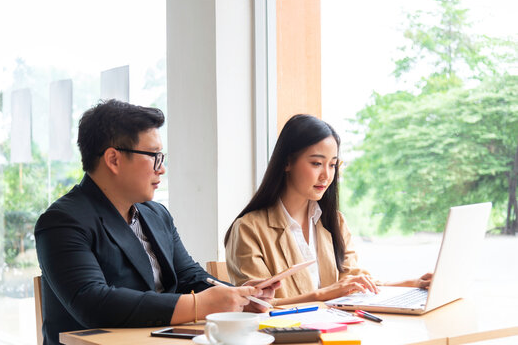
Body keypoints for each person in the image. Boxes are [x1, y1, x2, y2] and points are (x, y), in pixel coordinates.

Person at [35, 99, 278, 344]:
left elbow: (190, 277)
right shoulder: (61, 222)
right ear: (113, 159)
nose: (161, 169)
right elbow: (94, 303)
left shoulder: (156, 214)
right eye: (154, 156)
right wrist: (198, 304)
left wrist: (239, 297)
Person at [224, 114, 431, 306]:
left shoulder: (334, 222)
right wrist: (324, 295)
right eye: (316, 163)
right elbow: (256, 305)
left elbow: (354, 283)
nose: (326, 175)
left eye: (332, 165)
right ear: (287, 162)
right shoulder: (248, 229)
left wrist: (411, 283)